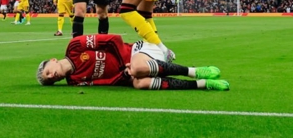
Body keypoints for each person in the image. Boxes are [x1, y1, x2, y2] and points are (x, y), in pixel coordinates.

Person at [36, 33, 229, 91]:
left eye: (48, 73)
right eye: (51, 80)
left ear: (52, 61)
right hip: (129, 72)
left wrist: (123, 64)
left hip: (138, 50)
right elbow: (105, 82)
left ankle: (195, 71)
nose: (53, 77)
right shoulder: (74, 81)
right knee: (139, 83)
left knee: (136, 68)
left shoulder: (75, 47)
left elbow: (114, 40)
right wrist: (123, 74)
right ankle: (203, 84)